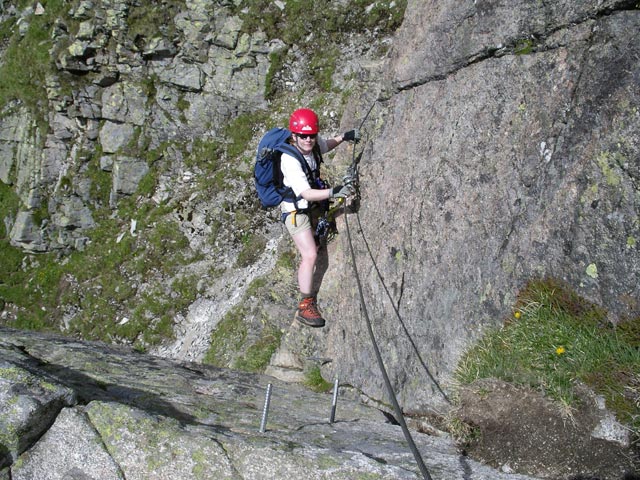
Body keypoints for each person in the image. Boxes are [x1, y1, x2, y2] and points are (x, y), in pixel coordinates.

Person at [280, 108, 358, 328]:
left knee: (317, 241)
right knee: (310, 255)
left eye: (311, 135)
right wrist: (335, 192)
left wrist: (344, 137)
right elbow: (305, 193)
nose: (308, 139)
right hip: (295, 212)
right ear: (293, 135)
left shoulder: (313, 145)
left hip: (311, 207)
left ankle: (316, 236)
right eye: (303, 136)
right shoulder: (289, 159)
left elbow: (326, 145)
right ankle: (305, 304)